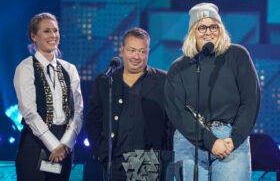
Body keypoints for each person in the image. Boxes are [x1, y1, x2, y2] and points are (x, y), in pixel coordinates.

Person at [164, 3, 261, 181]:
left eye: (213, 26)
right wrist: (210, 141)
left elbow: (250, 101)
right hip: (189, 142)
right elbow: (177, 111)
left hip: (230, 141)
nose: (208, 32)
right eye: (202, 27)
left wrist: (235, 138)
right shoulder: (178, 68)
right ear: (193, 32)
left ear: (220, 29)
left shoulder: (237, 55)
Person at [86, 27, 173, 180]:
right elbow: (93, 120)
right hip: (113, 158)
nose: (136, 56)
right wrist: (99, 151)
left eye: (142, 51)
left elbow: (171, 123)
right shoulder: (106, 81)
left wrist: (163, 154)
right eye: (132, 50)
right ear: (122, 50)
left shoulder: (163, 81)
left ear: (148, 52)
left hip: (146, 160)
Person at [14, 12, 83, 181]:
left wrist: (65, 144)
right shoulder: (26, 68)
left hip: (64, 146)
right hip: (35, 144)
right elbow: (29, 112)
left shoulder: (70, 69)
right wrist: (54, 146)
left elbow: (78, 111)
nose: (53, 35)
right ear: (34, 36)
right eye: (47, 31)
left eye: (55, 30)